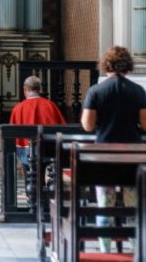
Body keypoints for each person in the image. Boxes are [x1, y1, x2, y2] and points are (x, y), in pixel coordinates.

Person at [81, 46, 146, 253]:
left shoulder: (96, 91)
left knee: (104, 205)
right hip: (131, 156)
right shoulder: (138, 91)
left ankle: (105, 250)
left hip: (104, 156)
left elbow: (88, 125)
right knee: (133, 206)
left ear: (106, 65)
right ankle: (136, 250)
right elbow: (145, 125)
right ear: (128, 65)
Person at [10, 76, 66, 179]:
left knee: (29, 177)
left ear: (25, 89)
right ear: (39, 89)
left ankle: (29, 188)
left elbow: (11, 133)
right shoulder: (50, 105)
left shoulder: (18, 108)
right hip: (46, 148)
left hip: (26, 150)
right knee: (42, 175)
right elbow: (62, 127)